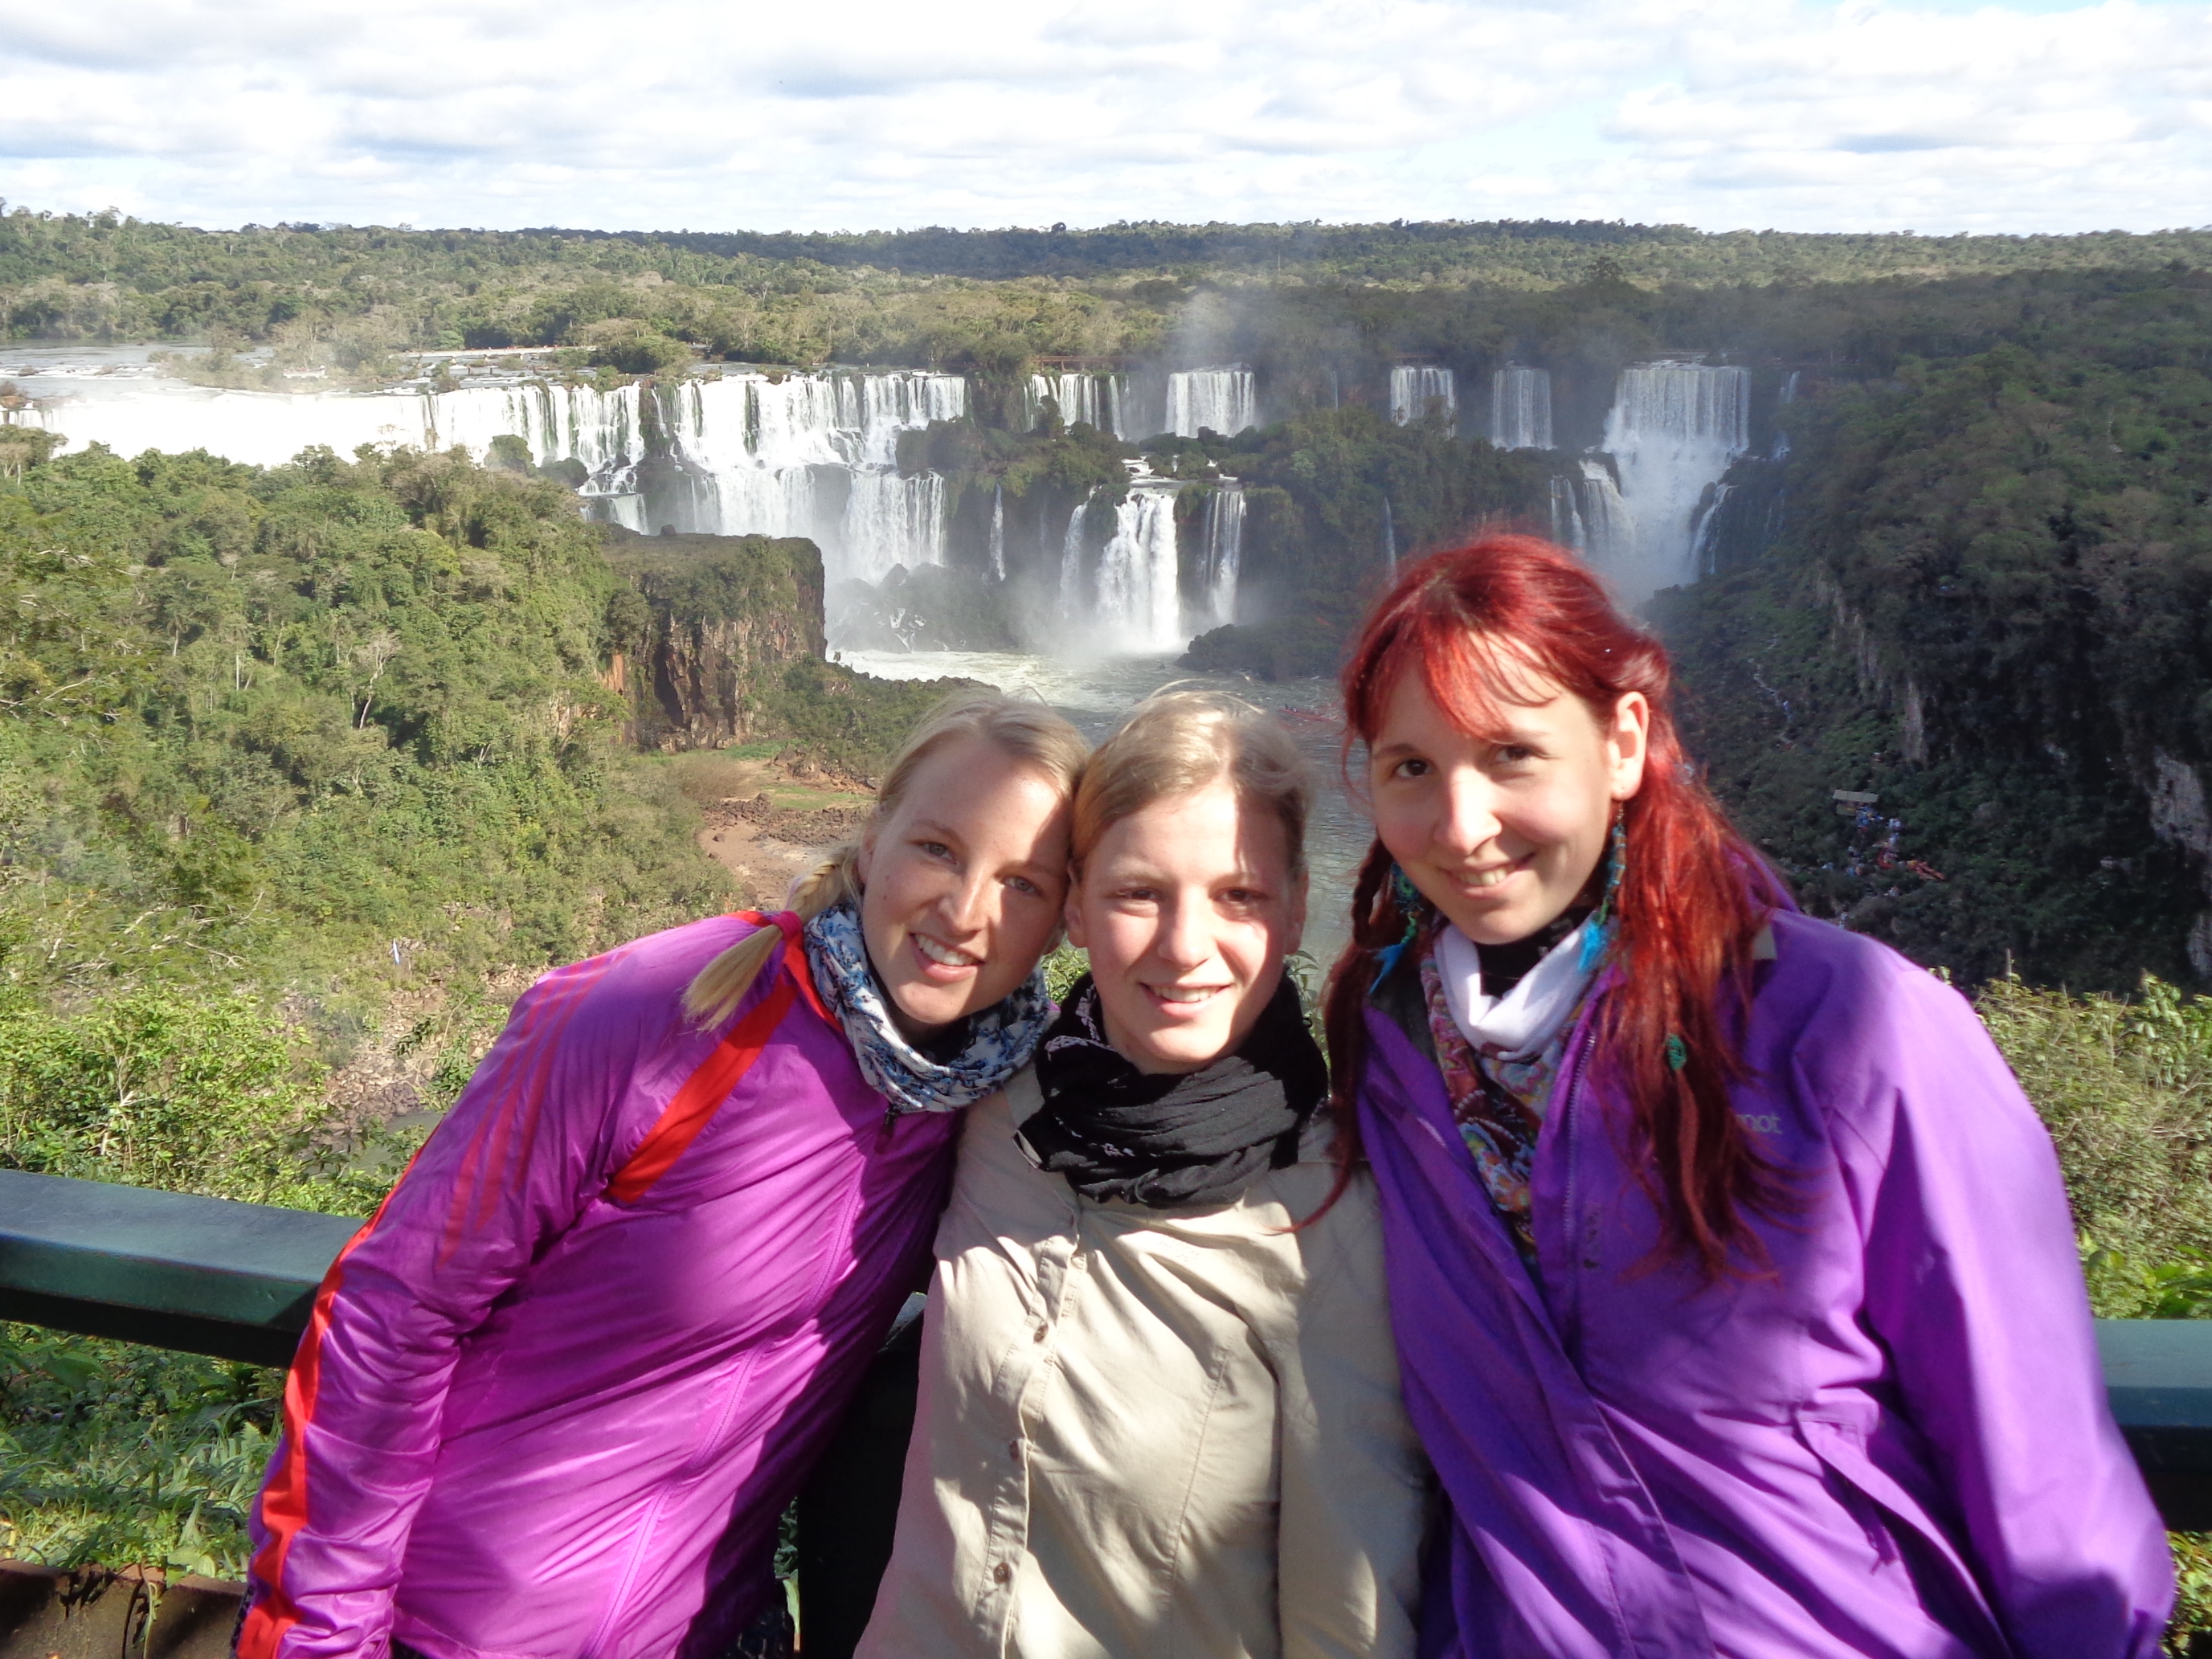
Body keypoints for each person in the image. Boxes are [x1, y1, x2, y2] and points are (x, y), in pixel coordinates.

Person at [1325, 534, 2175, 1659]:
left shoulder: (1853, 1030)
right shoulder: (1384, 1057)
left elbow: (2045, 1472)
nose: (1463, 826)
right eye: (1412, 769)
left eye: (1513, 754)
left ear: (1622, 742)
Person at [237, 690, 1088, 1659]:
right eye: (938, 848)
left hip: (720, 1630)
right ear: (871, 842)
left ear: (1065, 922)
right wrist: (319, 1638)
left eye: (1025, 883)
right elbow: (395, 1311)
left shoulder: (991, 1103)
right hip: (461, 1628)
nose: (967, 911)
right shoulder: (658, 1012)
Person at [858, 689, 1426, 1659]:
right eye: (1137, 892)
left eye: (1238, 895)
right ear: (1076, 905)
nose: (1184, 946)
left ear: (1295, 911)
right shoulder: (985, 1105)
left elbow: (1351, 1622)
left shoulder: (1334, 1225)